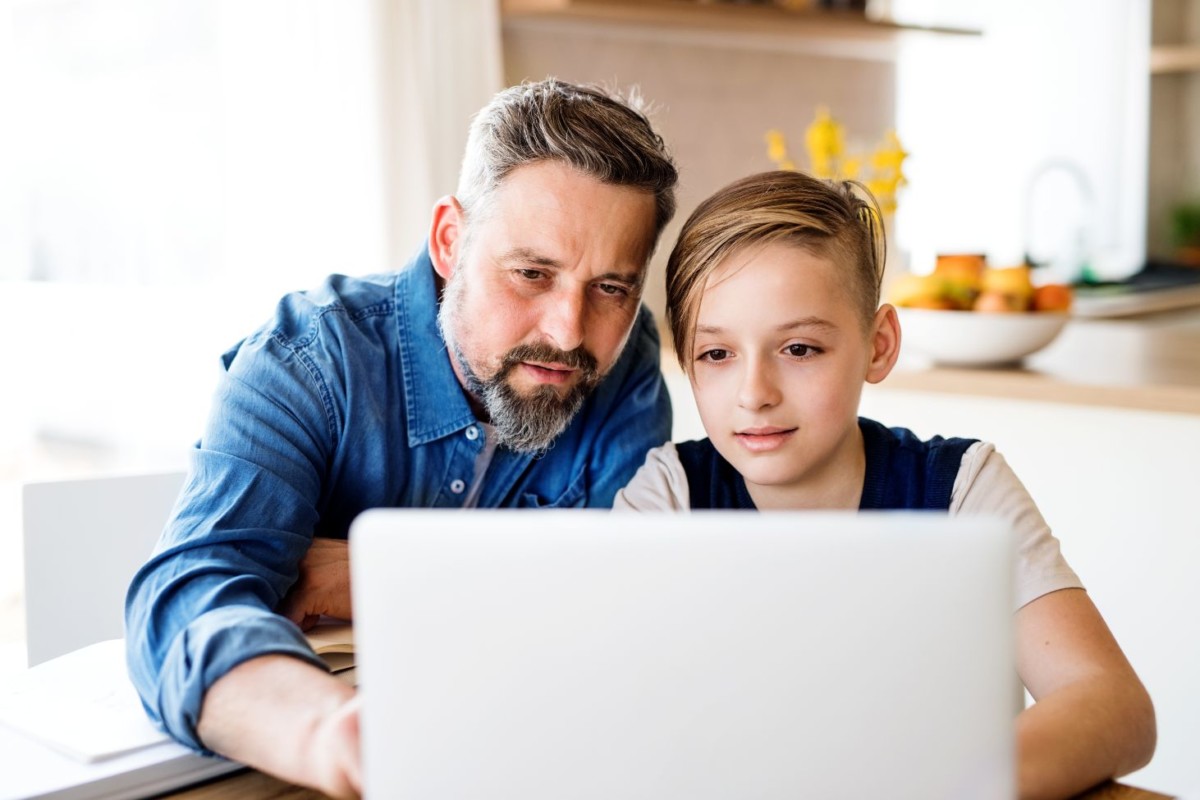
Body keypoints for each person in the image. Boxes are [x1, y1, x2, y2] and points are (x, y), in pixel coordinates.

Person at [125, 78, 678, 798]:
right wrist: (336, 738)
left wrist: (384, 574)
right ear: (450, 241)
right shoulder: (308, 361)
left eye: (611, 288)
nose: (568, 332)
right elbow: (187, 600)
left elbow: (629, 602)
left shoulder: (626, 364)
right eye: (532, 273)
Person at [614, 170, 1156, 800]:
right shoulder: (666, 500)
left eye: (799, 349)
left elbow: (1115, 705)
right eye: (717, 355)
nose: (755, 393)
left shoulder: (963, 490)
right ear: (687, 361)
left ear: (879, 345)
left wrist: (958, 785)